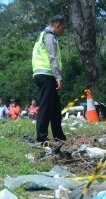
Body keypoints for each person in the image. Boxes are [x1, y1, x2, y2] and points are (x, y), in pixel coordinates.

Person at [32, 15, 67, 143]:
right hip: (47, 74)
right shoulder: (49, 36)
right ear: (57, 25)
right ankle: (41, 136)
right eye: (63, 28)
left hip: (41, 73)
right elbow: (53, 58)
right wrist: (59, 77)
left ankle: (59, 135)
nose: (64, 31)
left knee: (55, 107)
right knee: (46, 106)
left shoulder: (42, 35)